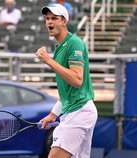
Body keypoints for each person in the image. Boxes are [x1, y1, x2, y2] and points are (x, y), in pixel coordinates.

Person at [35, 3, 98, 158]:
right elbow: (68, 91)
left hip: (80, 111)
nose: (49, 22)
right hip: (73, 111)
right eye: (47, 18)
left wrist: (49, 60)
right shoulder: (60, 49)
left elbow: (77, 80)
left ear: (64, 21)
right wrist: (53, 114)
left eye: (54, 18)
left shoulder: (74, 43)